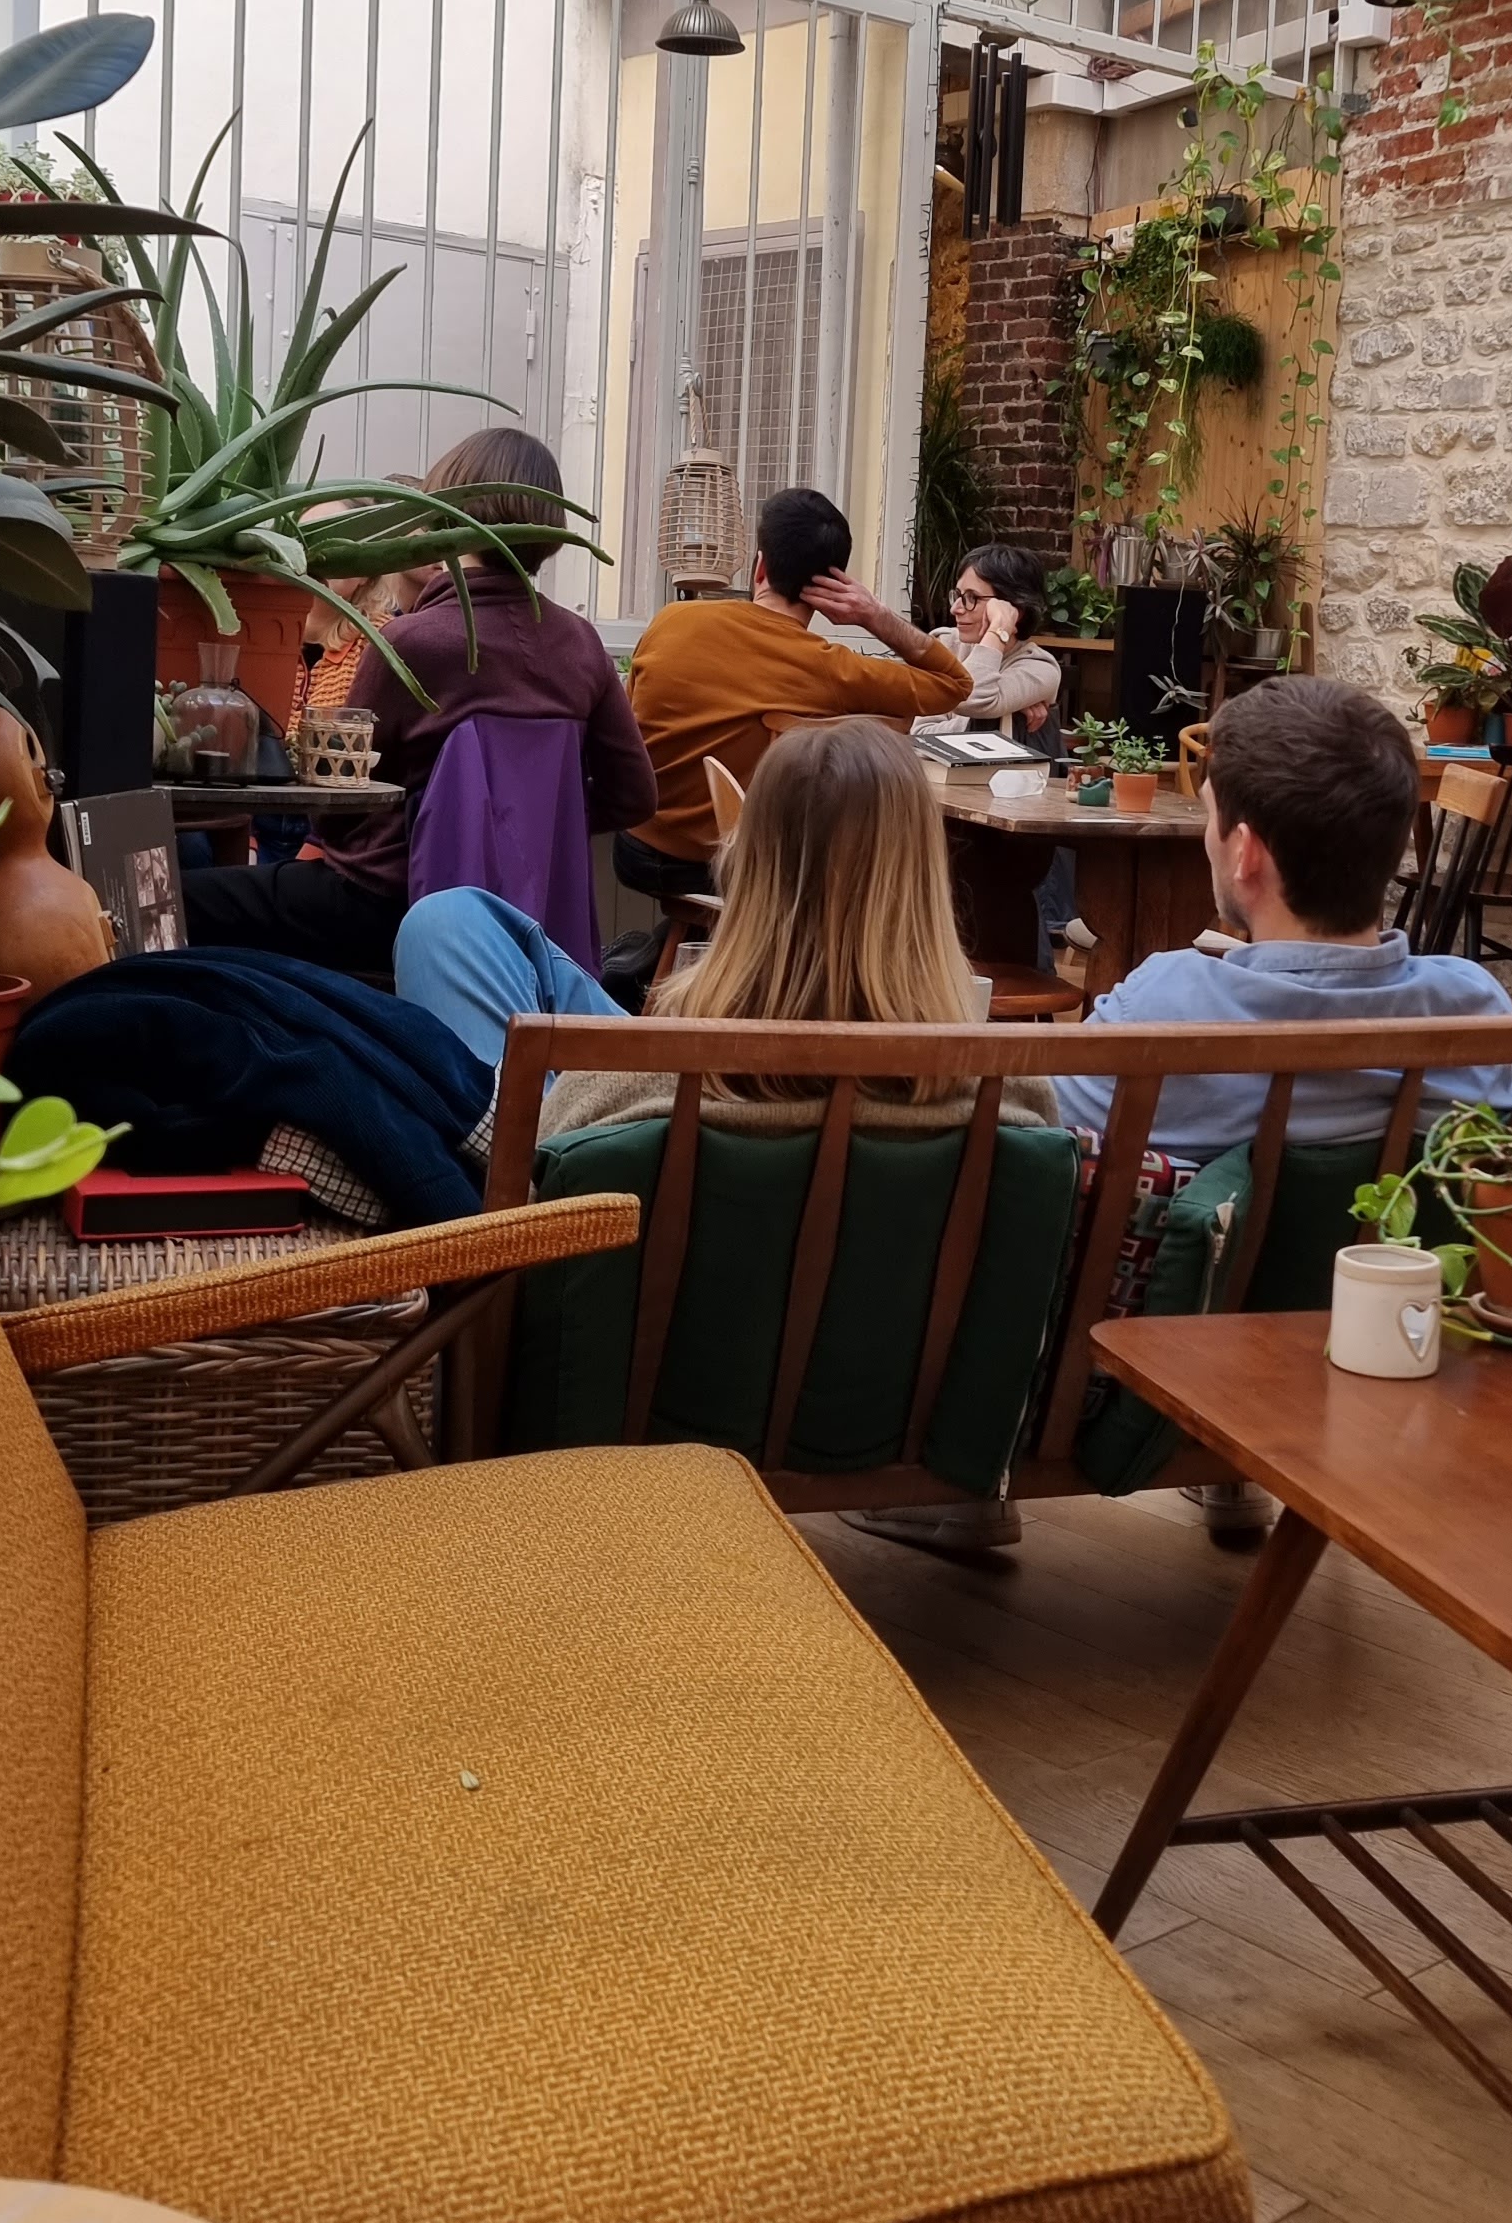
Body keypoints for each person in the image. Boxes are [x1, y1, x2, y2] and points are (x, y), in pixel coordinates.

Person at [398, 719, 1054, 1561]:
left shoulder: (630, 1085)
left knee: (445, 925)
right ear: (925, 878)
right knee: (461, 921)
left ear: (749, 862)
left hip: (666, 1149)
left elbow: (528, 1179)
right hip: (875, 1377)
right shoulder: (1014, 1098)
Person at [181, 426, 653, 978]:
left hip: (383, 907)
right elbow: (634, 796)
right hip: (532, 924)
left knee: (184, 898)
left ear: (440, 515)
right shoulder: (581, 645)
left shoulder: (411, 642)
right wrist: (529, 830)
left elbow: (340, 812)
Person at [1053, 676, 1512, 1164]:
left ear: (1246, 852)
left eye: (1211, 815)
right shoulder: (1472, 1009)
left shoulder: (1160, 1007)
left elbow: (1040, 1130)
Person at [617, 484, 970, 897]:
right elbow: (955, 684)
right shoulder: (827, 667)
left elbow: (626, 725)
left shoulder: (671, 620)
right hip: (736, 871)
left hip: (635, 848)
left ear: (760, 567)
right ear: (833, 587)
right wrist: (874, 616)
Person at [946, 542, 1064, 737]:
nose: (955, 609)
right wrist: (1003, 713)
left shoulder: (1040, 668)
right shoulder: (946, 645)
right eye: (958, 595)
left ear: (1014, 609)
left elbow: (966, 698)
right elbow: (920, 732)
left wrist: (998, 628)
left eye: (972, 597)